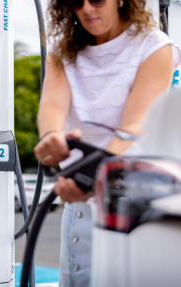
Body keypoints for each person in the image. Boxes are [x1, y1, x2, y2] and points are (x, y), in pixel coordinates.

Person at [33, 0, 181, 285]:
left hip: (129, 198)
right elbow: (52, 103)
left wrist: (89, 178)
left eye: (98, 0)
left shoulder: (154, 47)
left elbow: (134, 127)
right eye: (77, 2)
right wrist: (51, 138)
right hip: (79, 200)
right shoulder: (62, 49)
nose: (87, 9)